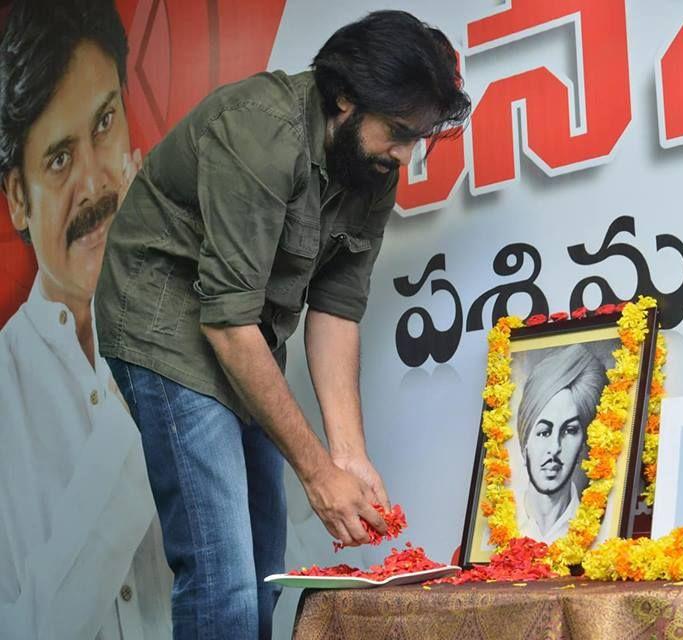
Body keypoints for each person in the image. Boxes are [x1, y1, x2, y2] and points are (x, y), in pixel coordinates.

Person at [94, 10, 470, 638]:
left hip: (240, 330)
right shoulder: (258, 132)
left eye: (421, 137)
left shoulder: (373, 167)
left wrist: (347, 456)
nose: (407, 154)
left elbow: (336, 306)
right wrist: (318, 474)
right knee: (224, 577)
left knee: (264, 568)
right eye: (399, 132)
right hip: (165, 321)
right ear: (345, 97)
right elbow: (226, 322)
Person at [0, 1, 172, 638]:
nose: (97, 181)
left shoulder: (221, 325)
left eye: (104, 123)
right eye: (59, 159)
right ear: (18, 197)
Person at [515, 345, 607, 543]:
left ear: (583, 443)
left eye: (569, 431)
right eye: (544, 432)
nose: (555, 448)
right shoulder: (502, 522)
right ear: (525, 443)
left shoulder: (600, 533)